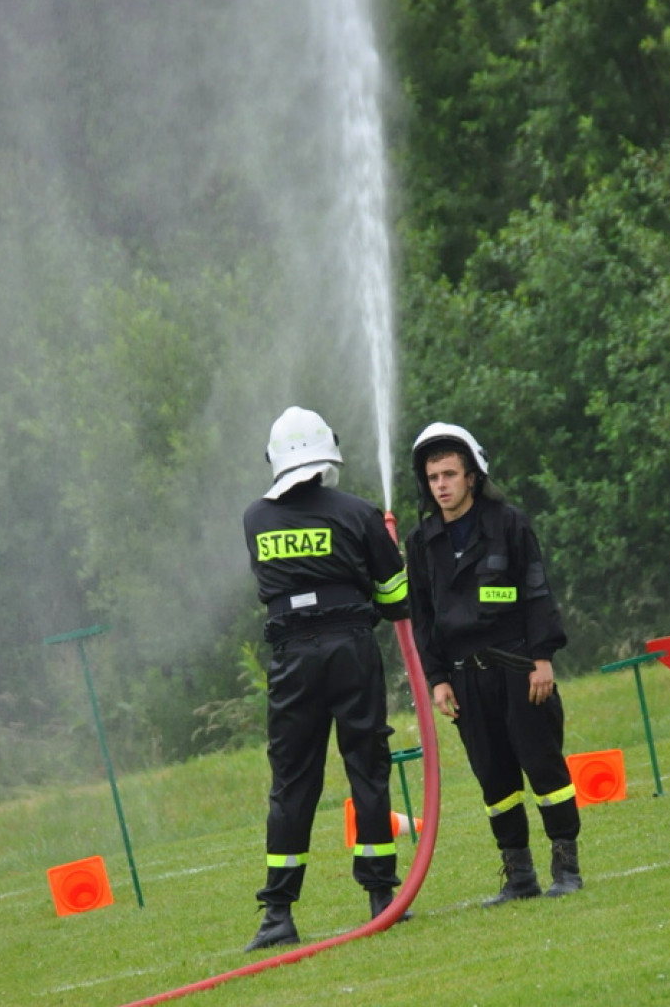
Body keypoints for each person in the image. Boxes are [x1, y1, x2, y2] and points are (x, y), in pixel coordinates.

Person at [242, 406, 410, 951]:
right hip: (350, 654)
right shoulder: (359, 514)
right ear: (327, 452)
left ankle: (278, 914)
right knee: (367, 767)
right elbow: (395, 600)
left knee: (293, 782)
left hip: (292, 660)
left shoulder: (255, 519)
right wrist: (387, 551)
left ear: (275, 459)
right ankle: (382, 898)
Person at [404, 422, 583, 906]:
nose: (440, 485)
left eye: (449, 474)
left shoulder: (509, 523)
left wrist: (542, 658)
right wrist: (437, 679)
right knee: (494, 778)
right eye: (433, 477)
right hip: (464, 678)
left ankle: (566, 866)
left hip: (519, 669)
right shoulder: (420, 544)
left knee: (543, 766)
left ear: (472, 477)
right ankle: (518, 875)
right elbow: (422, 618)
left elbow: (536, 593)